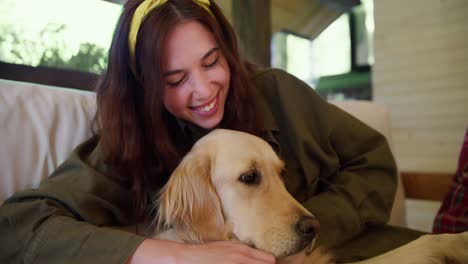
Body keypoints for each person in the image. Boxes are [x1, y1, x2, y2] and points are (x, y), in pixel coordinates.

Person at [0, 0, 423, 263]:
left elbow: (374, 161)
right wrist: (167, 257)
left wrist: (307, 230)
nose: (203, 90)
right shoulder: (125, 149)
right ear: (145, 87)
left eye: (210, 62)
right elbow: (17, 226)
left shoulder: (279, 94)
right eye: (175, 79)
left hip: (353, 248)